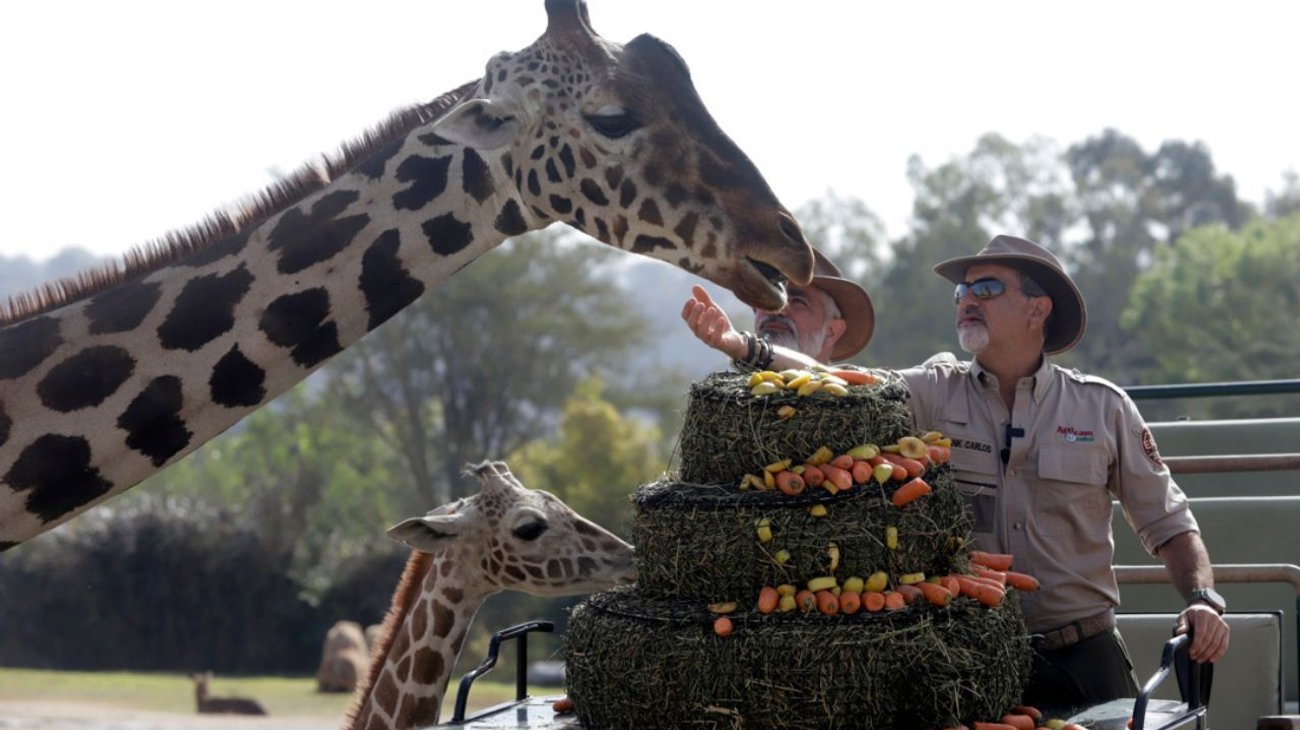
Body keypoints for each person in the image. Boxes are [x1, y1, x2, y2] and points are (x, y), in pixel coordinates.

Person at [681, 236, 1230, 710]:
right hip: (971, 653)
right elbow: (841, 383)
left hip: (1086, 656)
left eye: (986, 289)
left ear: (1038, 310)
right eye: (962, 291)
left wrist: (1202, 601)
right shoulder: (932, 391)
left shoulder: (1102, 408)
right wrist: (741, 346)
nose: (967, 299)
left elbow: (1170, 524)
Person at [681, 248, 875, 367]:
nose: (778, 309)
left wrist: (744, 346)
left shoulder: (864, 396)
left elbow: (822, 377)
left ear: (832, 331)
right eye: (769, 297)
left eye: (799, 302)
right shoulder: (729, 405)